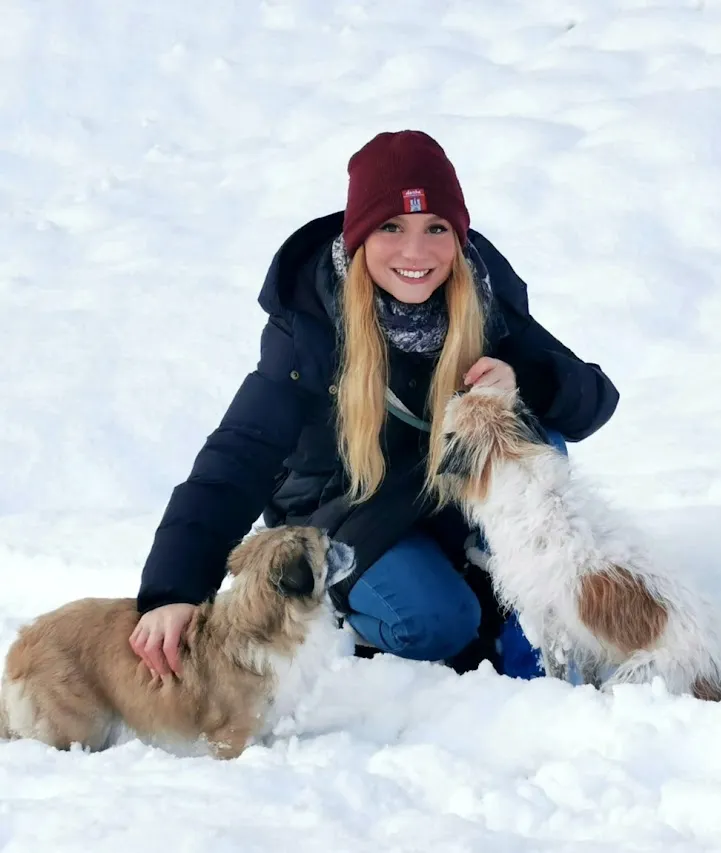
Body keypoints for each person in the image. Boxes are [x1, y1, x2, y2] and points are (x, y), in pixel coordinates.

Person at [129, 130, 620, 680]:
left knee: (538, 436)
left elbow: (592, 404)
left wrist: (521, 379)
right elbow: (239, 454)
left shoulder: (481, 294)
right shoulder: (311, 325)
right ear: (360, 236)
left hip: (438, 495)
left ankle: (526, 630)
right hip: (346, 510)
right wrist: (175, 589)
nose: (416, 252)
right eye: (392, 227)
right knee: (440, 623)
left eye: (436, 228)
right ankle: (345, 616)